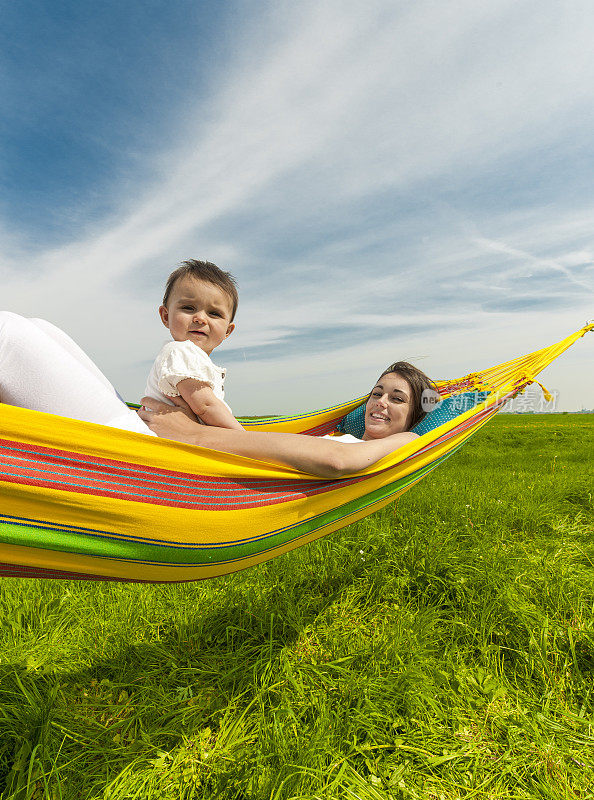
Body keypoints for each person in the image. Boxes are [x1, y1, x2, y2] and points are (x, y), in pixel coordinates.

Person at [138, 361, 436, 478]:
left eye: (397, 399)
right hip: (189, 461)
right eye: (377, 393)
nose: (380, 403)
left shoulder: (407, 440)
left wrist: (193, 435)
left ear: (413, 416)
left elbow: (337, 460)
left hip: (195, 459)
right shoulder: (342, 437)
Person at [145, 259, 243, 431]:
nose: (200, 318)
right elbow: (206, 407)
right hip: (170, 444)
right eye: (189, 308)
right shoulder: (180, 351)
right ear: (166, 316)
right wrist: (244, 437)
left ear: (227, 331)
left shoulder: (194, 359)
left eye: (214, 313)